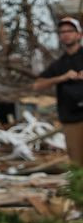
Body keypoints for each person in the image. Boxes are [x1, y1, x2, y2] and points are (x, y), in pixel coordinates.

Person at [30, 17, 83, 165]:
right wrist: (62, 77)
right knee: (77, 163)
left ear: (79, 34)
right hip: (71, 119)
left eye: (70, 31)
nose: (66, 34)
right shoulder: (59, 64)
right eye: (62, 32)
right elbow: (37, 85)